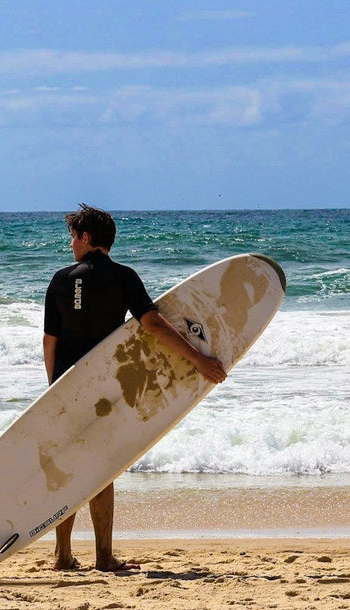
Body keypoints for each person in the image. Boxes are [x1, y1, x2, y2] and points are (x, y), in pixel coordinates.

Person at [43, 204, 226, 572]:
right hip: (103, 389)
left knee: (70, 467)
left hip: (66, 387)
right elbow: (153, 324)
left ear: (86, 238)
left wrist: (53, 388)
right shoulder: (123, 277)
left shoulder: (61, 279)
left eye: (73, 237)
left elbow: (50, 341)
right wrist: (198, 359)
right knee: (101, 470)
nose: (71, 244)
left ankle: (63, 555)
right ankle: (103, 557)